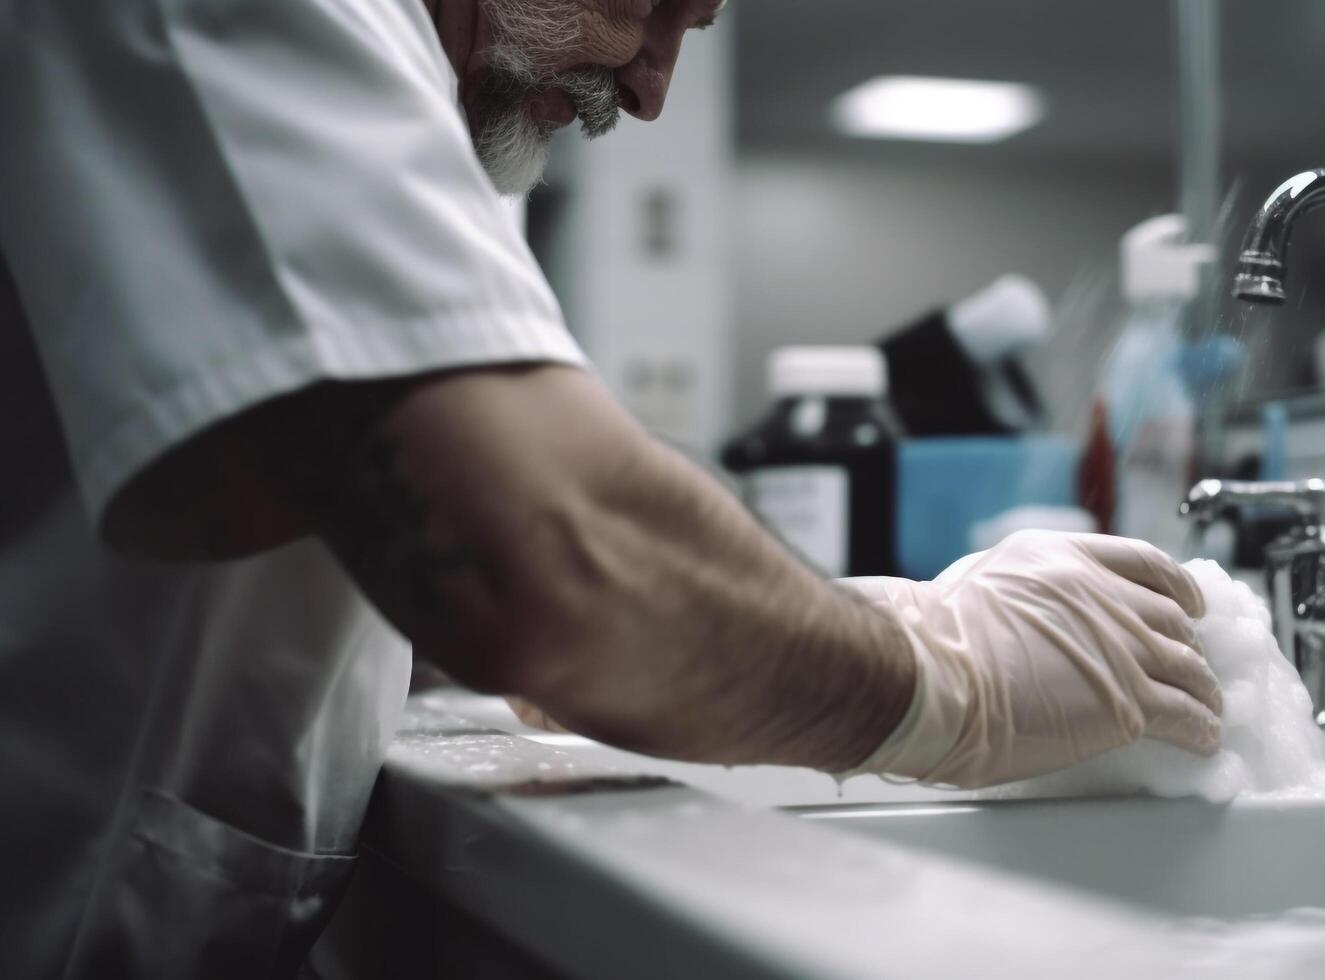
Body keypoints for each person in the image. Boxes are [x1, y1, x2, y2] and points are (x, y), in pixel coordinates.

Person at [0, 0, 1223, 974]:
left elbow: (379, 531)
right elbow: (542, 556)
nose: (648, 86)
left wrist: (771, 616)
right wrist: (950, 681)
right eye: (653, 6)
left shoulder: (448, 117)